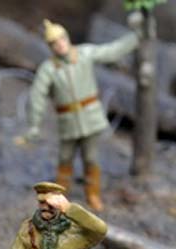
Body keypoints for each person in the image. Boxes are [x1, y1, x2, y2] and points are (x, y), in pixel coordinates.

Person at [15, 16, 143, 211]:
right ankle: (60, 196)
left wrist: (135, 37)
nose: (60, 45)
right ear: (50, 47)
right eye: (54, 43)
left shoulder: (84, 53)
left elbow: (111, 51)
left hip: (90, 117)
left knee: (91, 158)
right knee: (65, 158)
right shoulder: (48, 69)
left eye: (62, 39)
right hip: (67, 121)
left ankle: (93, 194)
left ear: (67, 38)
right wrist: (34, 124)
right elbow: (37, 96)